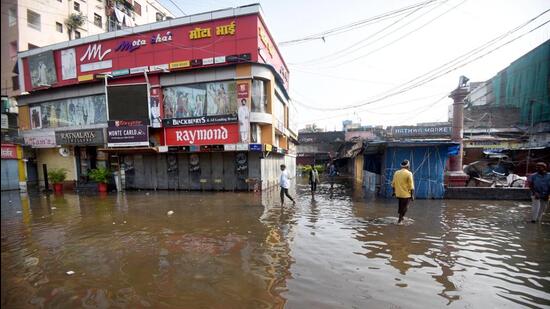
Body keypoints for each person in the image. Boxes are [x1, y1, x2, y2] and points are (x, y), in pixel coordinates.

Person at [391, 160, 415, 225]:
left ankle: (401, 217)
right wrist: (412, 195)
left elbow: (393, 184)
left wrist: (394, 192)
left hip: (398, 194)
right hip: (406, 194)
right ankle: (399, 220)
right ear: (408, 166)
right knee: (406, 207)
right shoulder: (409, 173)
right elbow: (411, 186)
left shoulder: (396, 172)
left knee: (401, 206)